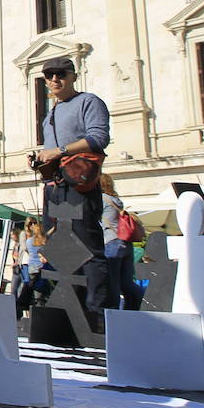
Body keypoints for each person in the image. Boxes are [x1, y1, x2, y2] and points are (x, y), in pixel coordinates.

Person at [33, 56, 111, 332]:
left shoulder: (89, 102)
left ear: (73, 75)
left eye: (61, 73)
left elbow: (99, 138)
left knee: (88, 249)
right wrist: (44, 158)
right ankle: (67, 314)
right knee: (59, 251)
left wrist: (60, 151)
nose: (55, 79)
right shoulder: (50, 113)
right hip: (54, 187)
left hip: (80, 186)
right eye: (49, 75)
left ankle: (96, 317)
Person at [99, 173, 142, 311]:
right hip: (125, 243)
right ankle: (139, 303)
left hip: (111, 242)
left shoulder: (101, 199)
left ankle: (114, 312)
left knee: (113, 283)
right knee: (127, 282)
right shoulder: (116, 200)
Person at [16, 218, 50, 314]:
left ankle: (25, 306)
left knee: (29, 287)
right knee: (39, 292)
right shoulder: (44, 241)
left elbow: (25, 249)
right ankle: (39, 311)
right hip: (41, 267)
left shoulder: (29, 241)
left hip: (31, 267)